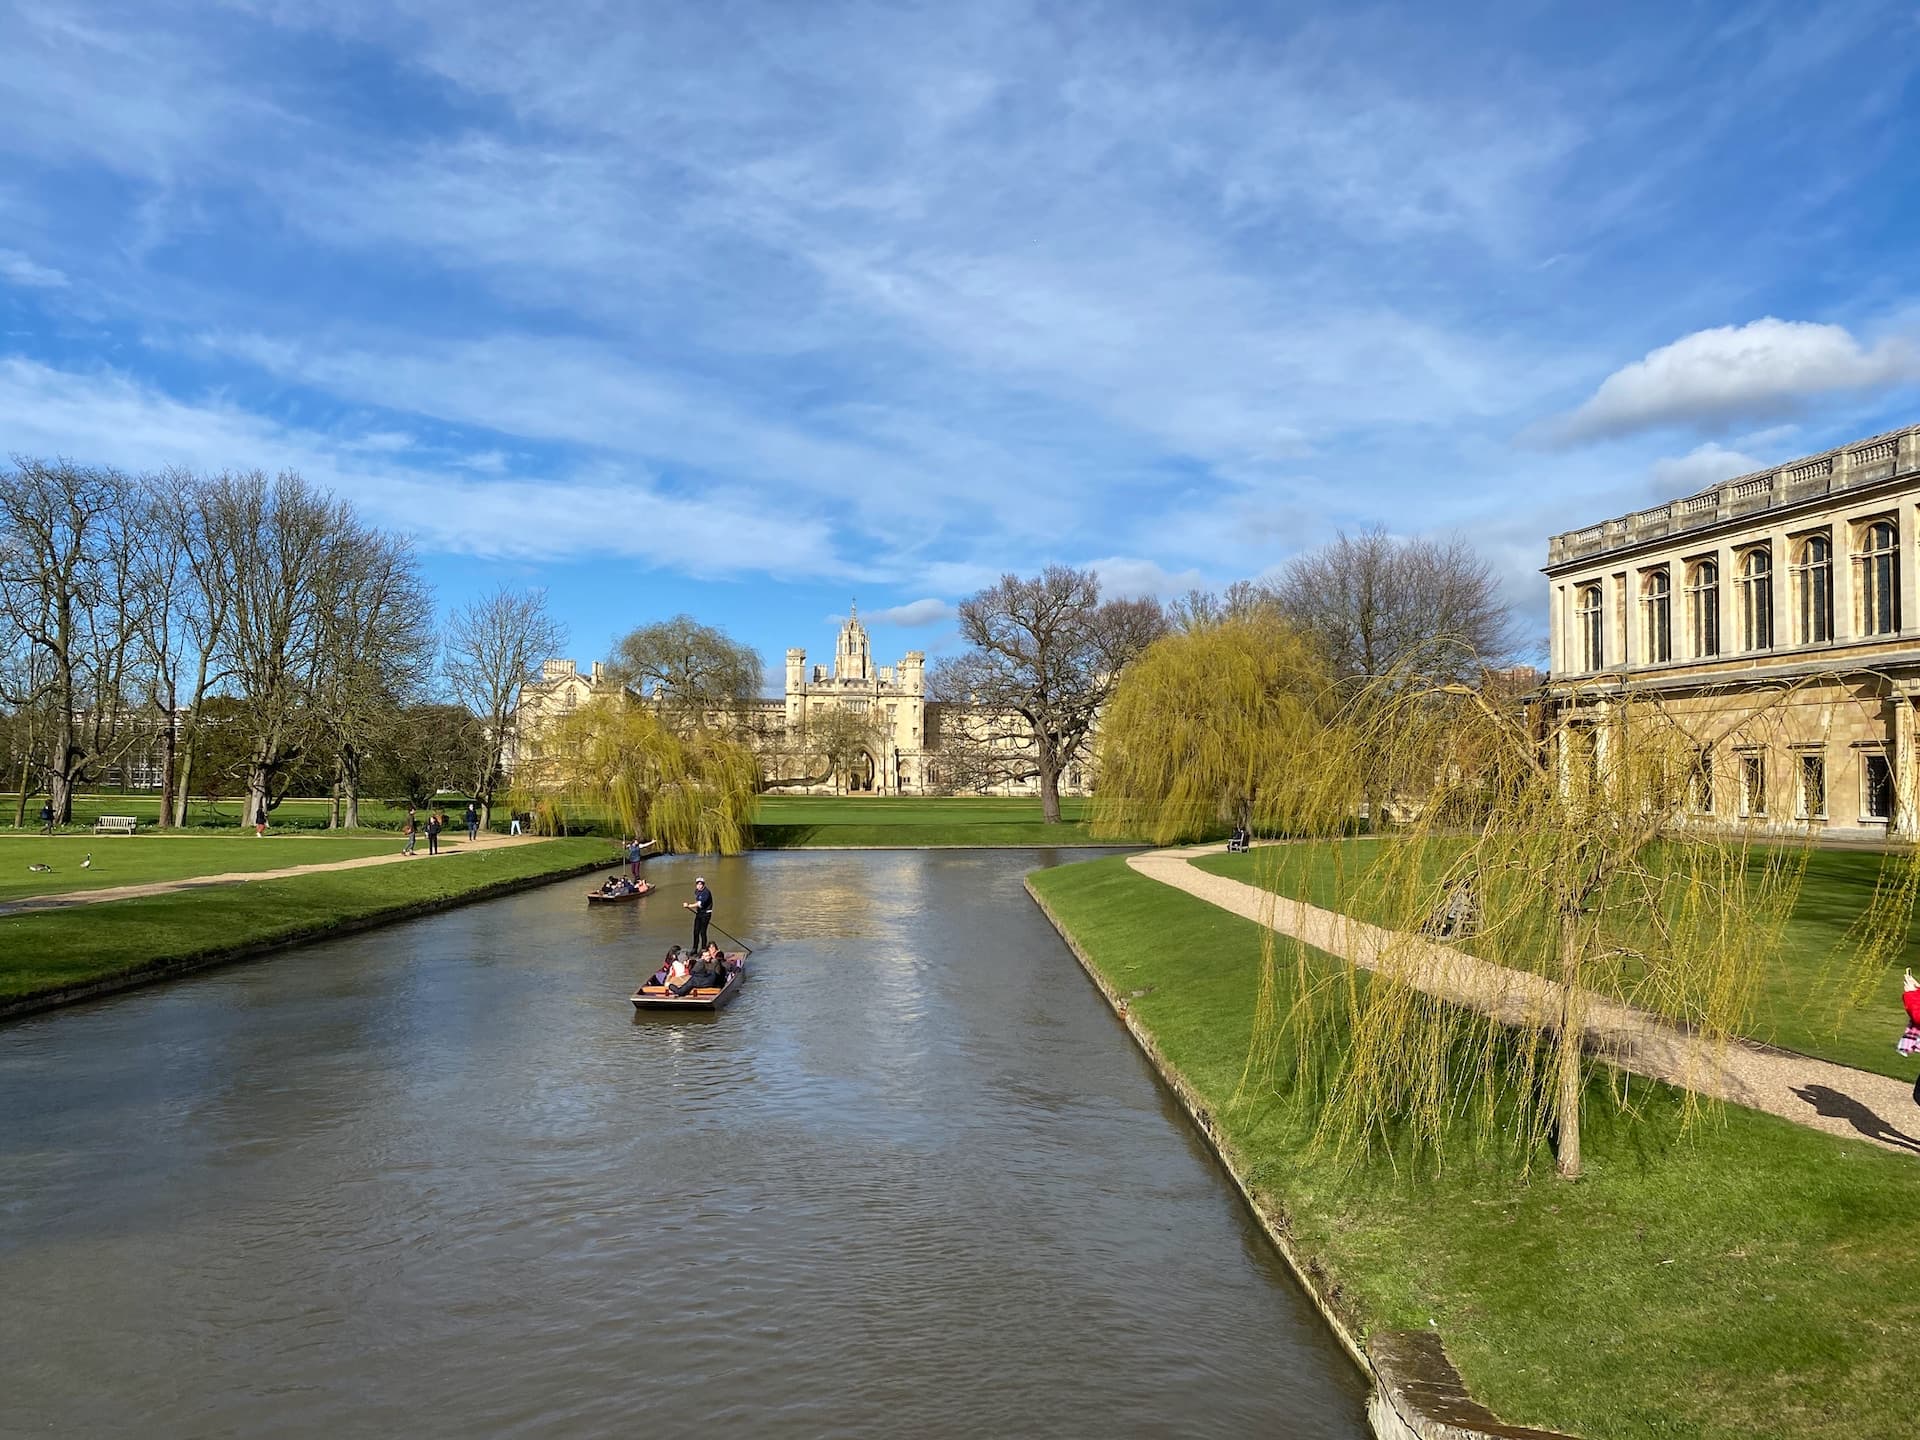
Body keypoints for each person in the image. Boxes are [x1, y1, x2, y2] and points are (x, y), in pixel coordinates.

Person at [684, 876, 713, 952]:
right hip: (699, 913)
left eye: (701, 884)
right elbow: (697, 902)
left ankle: (703, 948)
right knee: (696, 931)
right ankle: (694, 948)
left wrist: (689, 906)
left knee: (702, 931)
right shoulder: (696, 891)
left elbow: (699, 903)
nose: (699, 886)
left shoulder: (706, 892)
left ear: (703, 885)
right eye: (698, 884)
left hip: (706, 914)